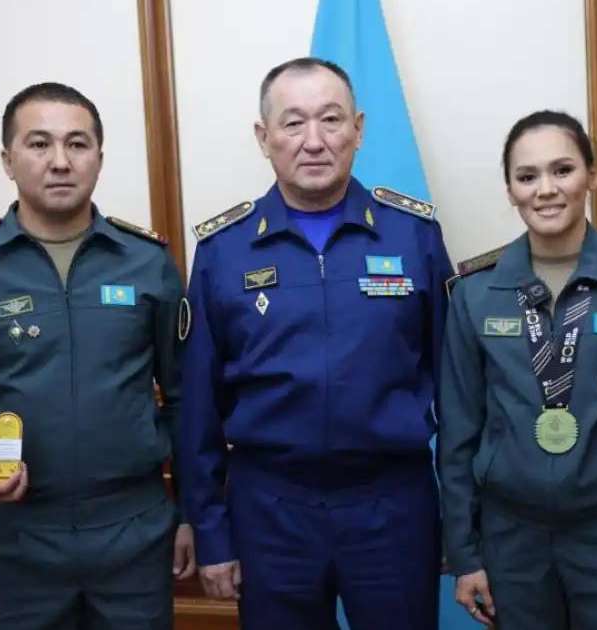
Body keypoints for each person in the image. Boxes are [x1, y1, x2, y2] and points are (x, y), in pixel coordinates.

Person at [0, 82, 195, 630]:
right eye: (39, 144)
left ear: (99, 157)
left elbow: (184, 397)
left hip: (134, 531)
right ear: (8, 160)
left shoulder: (147, 263)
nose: (60, 161)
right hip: (22, 535)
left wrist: (191, 513)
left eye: (77, 144)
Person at [179, 57, 453, 630]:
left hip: (391, 506)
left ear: (358, 129)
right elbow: (197, 407)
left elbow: (457, 392)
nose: (313, 141)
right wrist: (210, 530)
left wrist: (463, 522)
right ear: (264, 137)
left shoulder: (413, 236)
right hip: (270, 510)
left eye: (331, 120)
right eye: (293, 123)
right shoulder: (223, 251)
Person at [438, 110, 597, 629]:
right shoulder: (475, 292)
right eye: (527, 176)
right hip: (510, 541)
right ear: (510, 190)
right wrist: (464, 554)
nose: (546, 190)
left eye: (563, 170)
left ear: (591, 176)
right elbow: (458, 433)